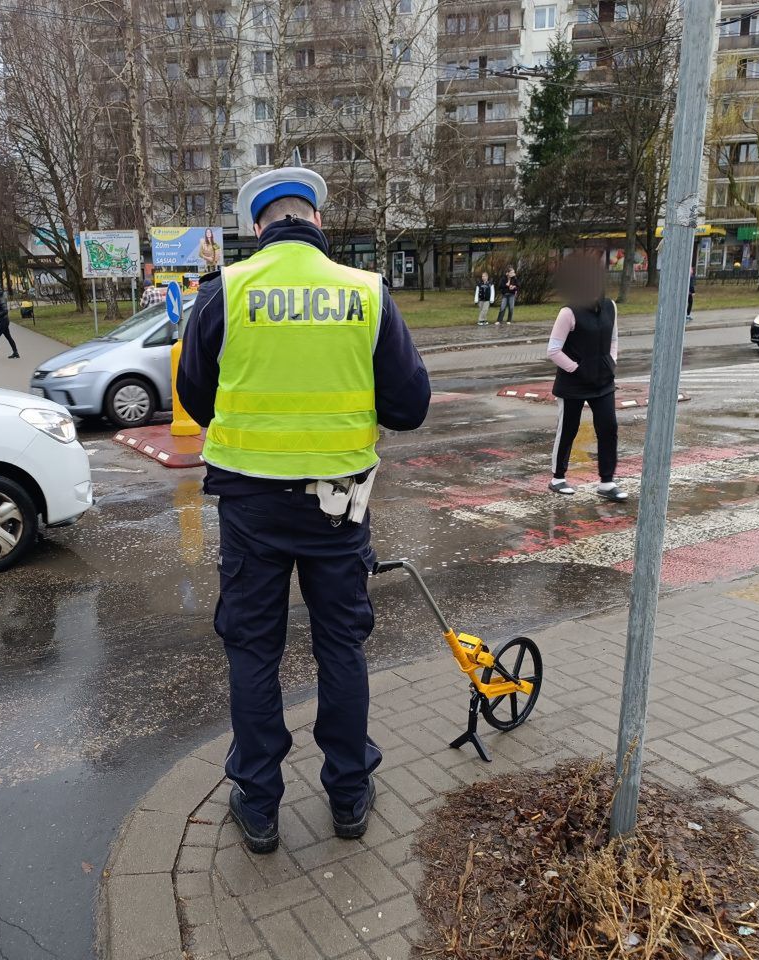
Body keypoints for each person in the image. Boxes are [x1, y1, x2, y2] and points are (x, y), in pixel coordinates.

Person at [177, 163, 430, 855]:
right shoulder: (366, 292)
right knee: (340, 647)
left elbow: (199, 396)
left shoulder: (225, 290)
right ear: (317, 220)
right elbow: (411, 406)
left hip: (251, 506)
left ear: (258, 226)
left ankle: (258, 807)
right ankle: (349, 796)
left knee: (254, 651)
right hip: (338, 507)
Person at [546, 256, 627, 502]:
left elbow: (613, 339)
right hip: (573, 383)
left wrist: (610, 361)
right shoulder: (569, 312)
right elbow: (553, 350)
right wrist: (576, 368)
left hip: (603, 381)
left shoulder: (610, 307)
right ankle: (557, 478)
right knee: (568, 429)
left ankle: (606, 482)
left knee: (608, 427)